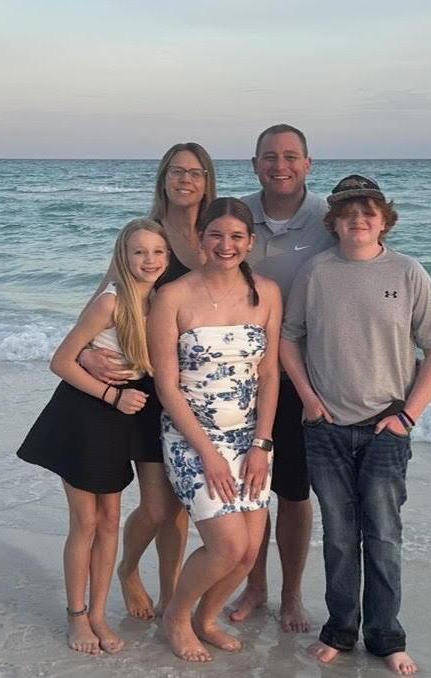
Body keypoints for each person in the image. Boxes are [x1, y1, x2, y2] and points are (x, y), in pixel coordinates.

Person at [279, 175, 431, 676]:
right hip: (326, 428)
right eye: (348, 213)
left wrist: (408, 416)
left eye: (368, 213)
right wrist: (309, 400)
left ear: (384, 221)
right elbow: (289, 338)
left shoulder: (408, 272)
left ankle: (385, 637)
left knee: (383, 536)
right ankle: (340, 630)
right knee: (338, 536)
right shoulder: (316, 272)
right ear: (333, 223)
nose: (358, 220)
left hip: (385, 429)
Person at [17, 219, 171, 655]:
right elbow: (61, 360)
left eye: (157, 252)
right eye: (139, 252)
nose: (149, 260)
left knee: (109, 520)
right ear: (123, 256)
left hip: (123, 415)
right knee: (85, 522)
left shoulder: (160, 301)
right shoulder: (111, 302)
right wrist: (111, 394)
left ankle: (100, 614)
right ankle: (77, 615)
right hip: (85, 413)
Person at [78, 142, 216, 620]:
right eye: (176, 171)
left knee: (179, 508)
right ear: (163, 178)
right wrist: (86, 354)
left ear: (207, 179)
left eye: (195, 172)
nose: (185, 180)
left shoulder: (215, 236)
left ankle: (172, 599)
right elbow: (103, 301)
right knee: (157, 507)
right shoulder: (147, 236)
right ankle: (128, 568)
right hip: (146, 389)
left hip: (198, 387)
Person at [149, 198, 282, 662]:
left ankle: (207, 619)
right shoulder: (172, 296)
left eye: (237, 237)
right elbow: (166, 386)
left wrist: (262, 443)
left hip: (250, 438)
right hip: (190, 438)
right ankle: (176, 616)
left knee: (248, 552)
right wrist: (207, 453)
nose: (227, 245)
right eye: (216, 235)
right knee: (227, 545)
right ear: (201, 239)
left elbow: (269, 375)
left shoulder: (267, 293)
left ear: (250, 242)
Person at [232, 124, 334, 632]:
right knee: (249, 489)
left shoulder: (329, 220)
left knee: (293, 492)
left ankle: (291, 595)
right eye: (269, 156)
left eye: (291, 156)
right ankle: (254, 587)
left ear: (308, 164)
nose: (280, 165)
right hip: (239, 377)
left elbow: (368, 271)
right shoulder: (235, 216)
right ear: (254, 164)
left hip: (300, 378)